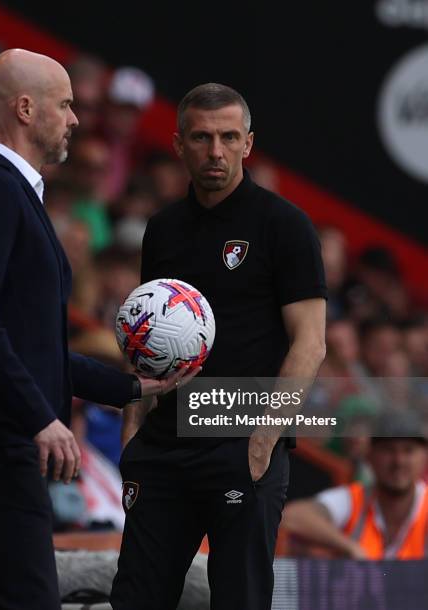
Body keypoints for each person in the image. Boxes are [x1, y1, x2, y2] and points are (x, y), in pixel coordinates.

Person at [0, 49, 194, 610]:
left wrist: (133, 388)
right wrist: (39, 416)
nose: (75, 118)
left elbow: (30, 346)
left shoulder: (9, 192)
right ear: (25, 108)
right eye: (65, 105)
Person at [111, 83, 327, 610]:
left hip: (241, 444)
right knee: (135, 600)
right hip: (164, 448)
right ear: (179, 143)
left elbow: (311, 344)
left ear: (248, 144)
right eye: (202, 137)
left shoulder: (286, 226)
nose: (216, 151)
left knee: (240, 601)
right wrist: (132, 434)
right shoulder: (161, 230)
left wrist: (263, 441)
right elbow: (149, 342)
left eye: (229, 137)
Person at [282, 413, 428, 560]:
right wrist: (349, 547)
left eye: (408, 450)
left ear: (424, 456)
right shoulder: (354, 500)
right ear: (370, 455)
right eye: (388, 450)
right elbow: (292, 516)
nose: (399, 461)